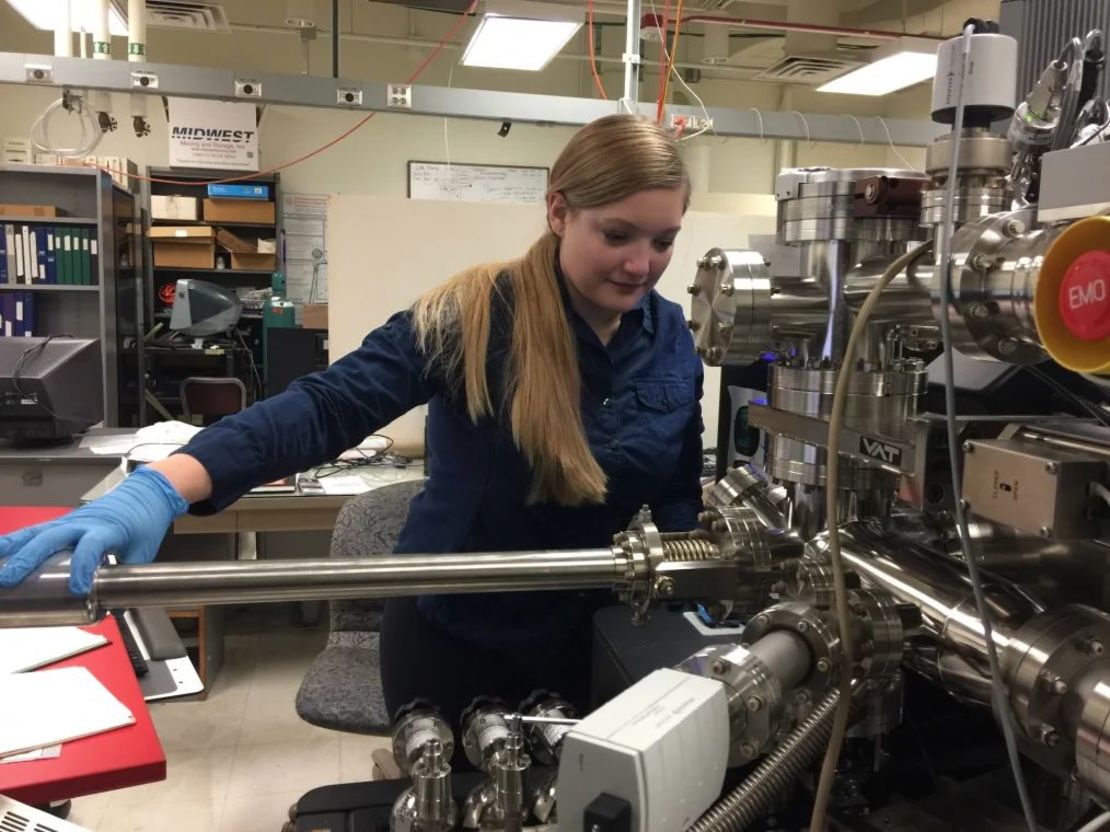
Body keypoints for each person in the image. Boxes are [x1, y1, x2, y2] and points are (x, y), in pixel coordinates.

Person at [0, 114, 703, 733]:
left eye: (664, 241)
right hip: (458, 643)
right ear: (557, 211)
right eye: (617, 235)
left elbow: (676, 496)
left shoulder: (673, 341)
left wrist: (695, 604)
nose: (643, 265)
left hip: (597, 638)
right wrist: (161, 487)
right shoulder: (473, 315)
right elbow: (330, 405)